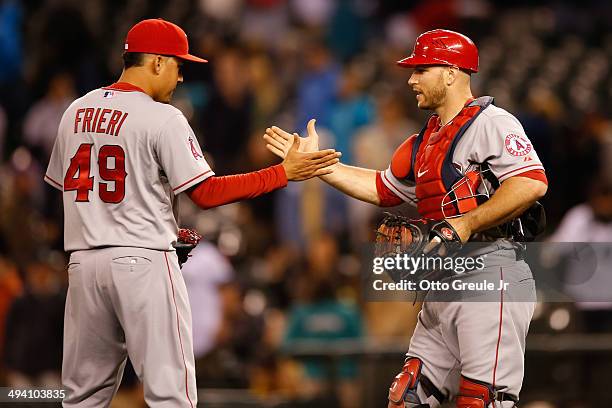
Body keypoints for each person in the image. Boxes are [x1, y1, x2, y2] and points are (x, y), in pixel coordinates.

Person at [44, 18, 340, 407]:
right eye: (178, 66)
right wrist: (282, 173)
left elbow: (61, 193)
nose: (181, 78)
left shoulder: (75, 112)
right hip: (143, 263)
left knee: (81, 397)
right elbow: (206, 192)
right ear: (155, 62)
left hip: (83, 266)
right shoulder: (162, 116)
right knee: (171, 397)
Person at [265, 29, 548, 407]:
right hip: (445, 280)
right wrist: (318, 167)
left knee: (482, 400)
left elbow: (531, 183)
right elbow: (384, 189)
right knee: (407, 395)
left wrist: (465, 223)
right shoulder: (427, 140)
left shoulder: (492, 122)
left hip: (491, 272)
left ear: (451, 72)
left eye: (422, 69)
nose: (411, 79)